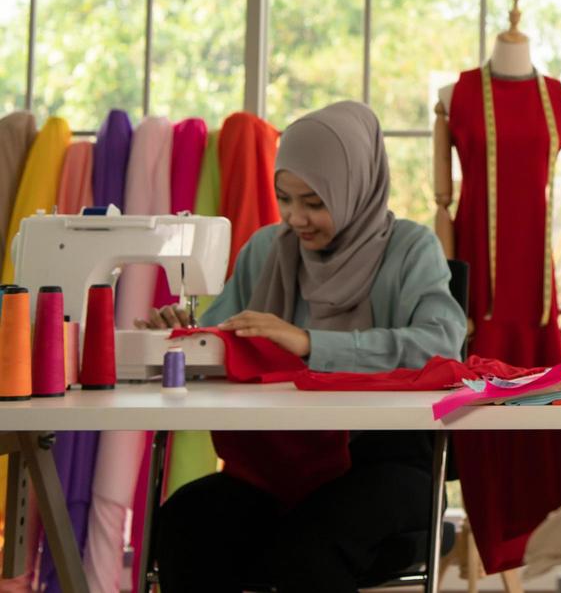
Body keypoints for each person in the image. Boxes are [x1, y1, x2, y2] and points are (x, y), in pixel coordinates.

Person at [149, 101, 467, 592]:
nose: (296, 218)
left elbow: (440, 346)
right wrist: (185, 338)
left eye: (315, 202)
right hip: (280, 467)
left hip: (388, 463)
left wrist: (309, 344)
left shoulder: (411, 250)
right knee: (186, 524)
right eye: (285, 198)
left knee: (305, 551)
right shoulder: (265, 251)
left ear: (355, 187)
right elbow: (222, 341)